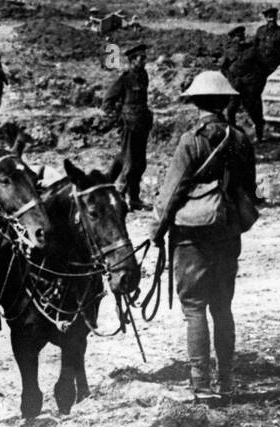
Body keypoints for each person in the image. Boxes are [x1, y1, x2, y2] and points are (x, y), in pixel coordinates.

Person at [150, 70, 257, 404]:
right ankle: (226, 381)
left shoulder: (191, 140)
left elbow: (172, 192)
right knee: (222, 307)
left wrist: (156, 229)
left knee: (195, 308)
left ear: (195, 102)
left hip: (191, 234)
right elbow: (249, 188)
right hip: (227, 229)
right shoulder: (240, 139)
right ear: (224, 101)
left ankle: (201, 385)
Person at [103, 43, 152, 211]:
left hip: (142, 124)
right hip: (129, 125)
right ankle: (120, 197)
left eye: (144, 58)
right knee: (129, 163)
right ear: (132, 61)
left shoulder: (143, 76)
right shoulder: (125, 79)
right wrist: (118, 120)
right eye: (141, 58)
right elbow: (107, 101)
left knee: (140, 163)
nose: (144, 61)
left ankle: (134, 198)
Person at [219, 26, 269, 140]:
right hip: (235, 86)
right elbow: (223, 68)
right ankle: (232, 134)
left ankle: (259, 135)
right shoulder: (229, 52)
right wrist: (231, 79)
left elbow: (263, 66)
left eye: (242, 36)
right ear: (233, 39)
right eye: (238, 37)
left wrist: (256, 80)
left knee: (254, 110)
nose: (240, 39)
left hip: (250, 86)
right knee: (231, 110)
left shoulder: (252, 50)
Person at [253, 7, 280, 75]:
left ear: (276, 18)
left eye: (273, 17)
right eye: (269, 17)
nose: (272, 19)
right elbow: (254, 46)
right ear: (266, 18)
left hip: (275, 66)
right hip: (260, 66)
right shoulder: (260, 31)